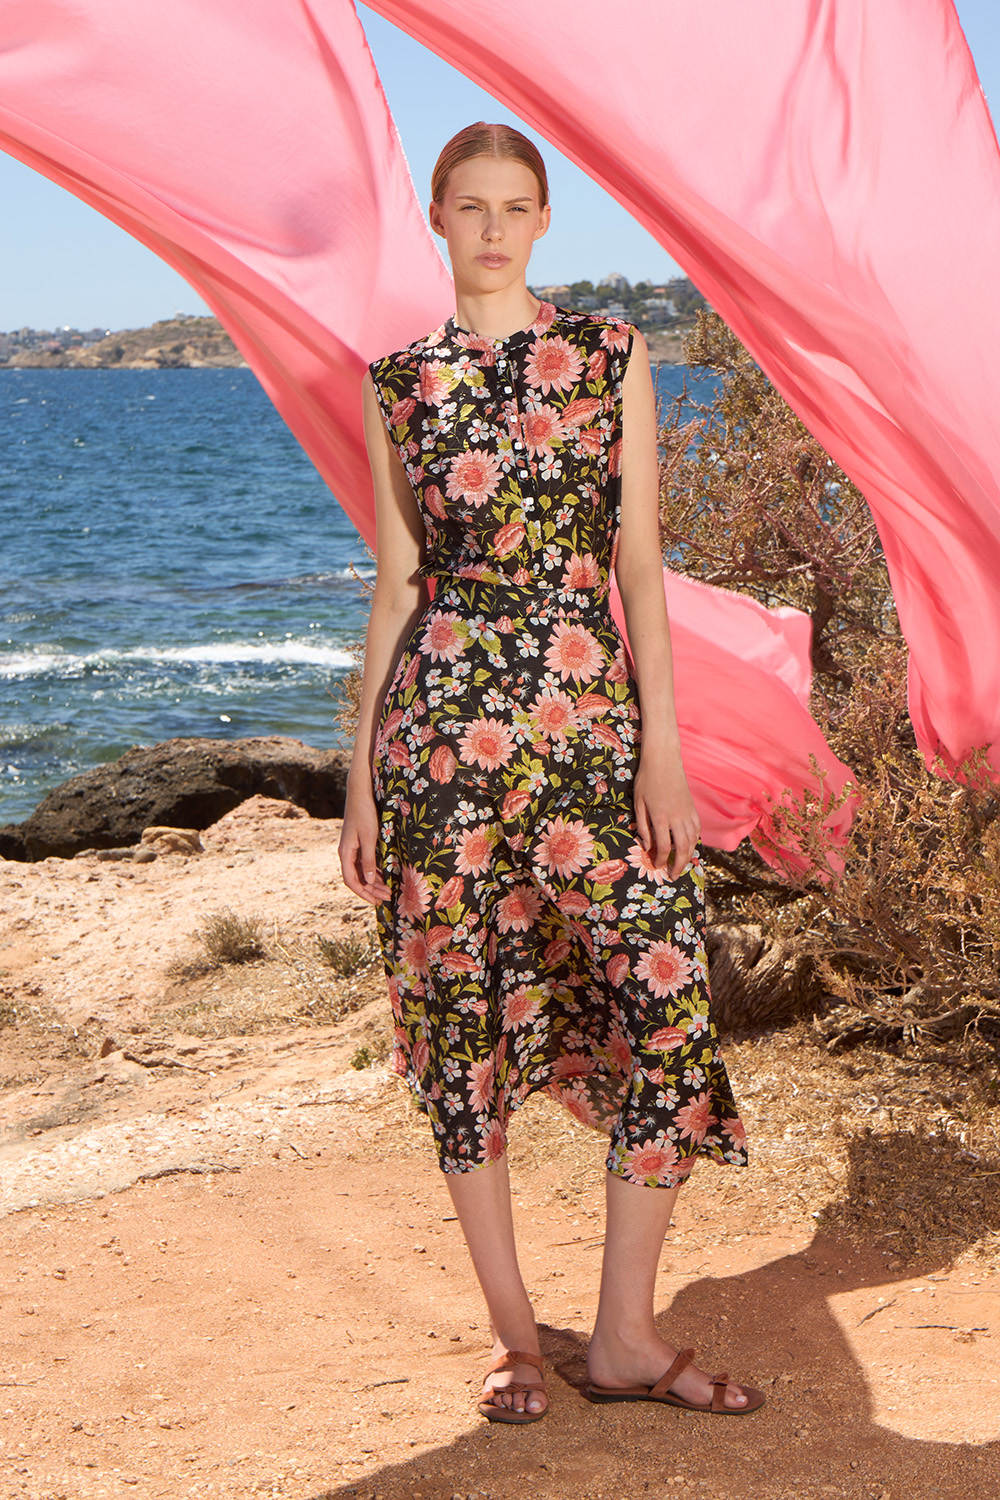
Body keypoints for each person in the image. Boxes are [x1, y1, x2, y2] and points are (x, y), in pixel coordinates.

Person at [339, 121, 764, 1424]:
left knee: (668, 998)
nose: (492, 229)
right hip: (439, 743)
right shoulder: (398, 383)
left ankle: (625, 1335)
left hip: (589, 730)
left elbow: (639, 565)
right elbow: (399, 587)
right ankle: (517, 1338)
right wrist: (359, 780)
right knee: (457, 1031)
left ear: (540, 220)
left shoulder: (610, 356)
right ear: (436, 217)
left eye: (514, 206)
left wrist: (663, 748)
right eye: (469, 206)